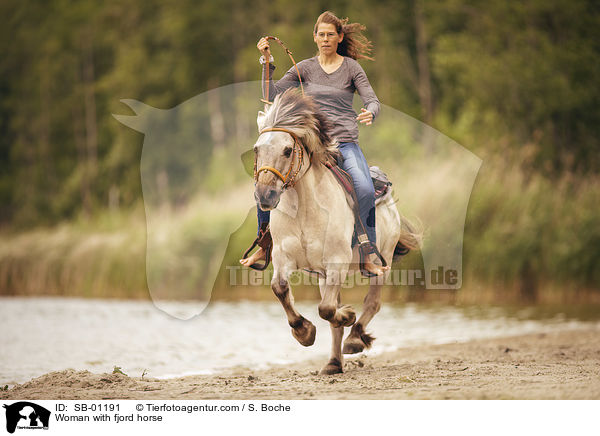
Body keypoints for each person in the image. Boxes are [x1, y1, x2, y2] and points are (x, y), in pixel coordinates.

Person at [240, 10, 389, 276]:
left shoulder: (352, 68)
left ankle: (367, 252)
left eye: (331, 35)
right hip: (311, 144)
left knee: (365, 188)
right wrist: (266, 62)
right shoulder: (305, 68)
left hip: (344, 143)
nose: (325, 39)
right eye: (321, 35)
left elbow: (372, 100)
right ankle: (265, 243)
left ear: (339, 37)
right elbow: (270, 95)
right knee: (263, 181)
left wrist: (371, 111)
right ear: (314, 37)